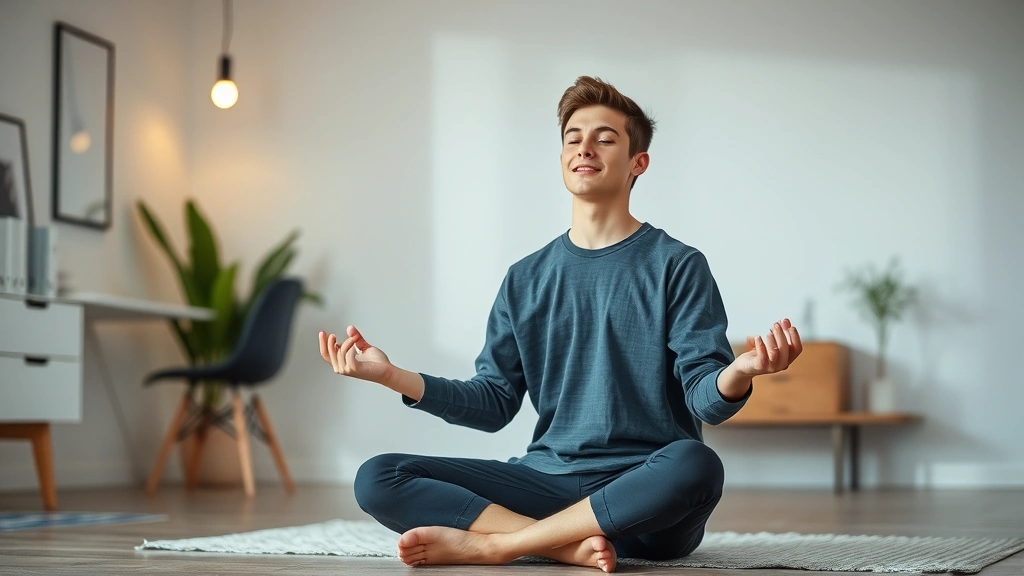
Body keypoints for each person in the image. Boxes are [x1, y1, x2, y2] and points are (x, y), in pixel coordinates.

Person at [317, 76, 802, 573]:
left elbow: (705, 399)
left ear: (639, 162)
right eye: (573, 137)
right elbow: (493, 403)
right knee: (379, 476)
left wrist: (739, 371)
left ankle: (498, 545)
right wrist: (391, 375)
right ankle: (560, 544)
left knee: (696, 465)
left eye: (605, 138)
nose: (584, 147)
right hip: (545, 482)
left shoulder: (677, 265)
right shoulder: (525, 278)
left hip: (644, 497)